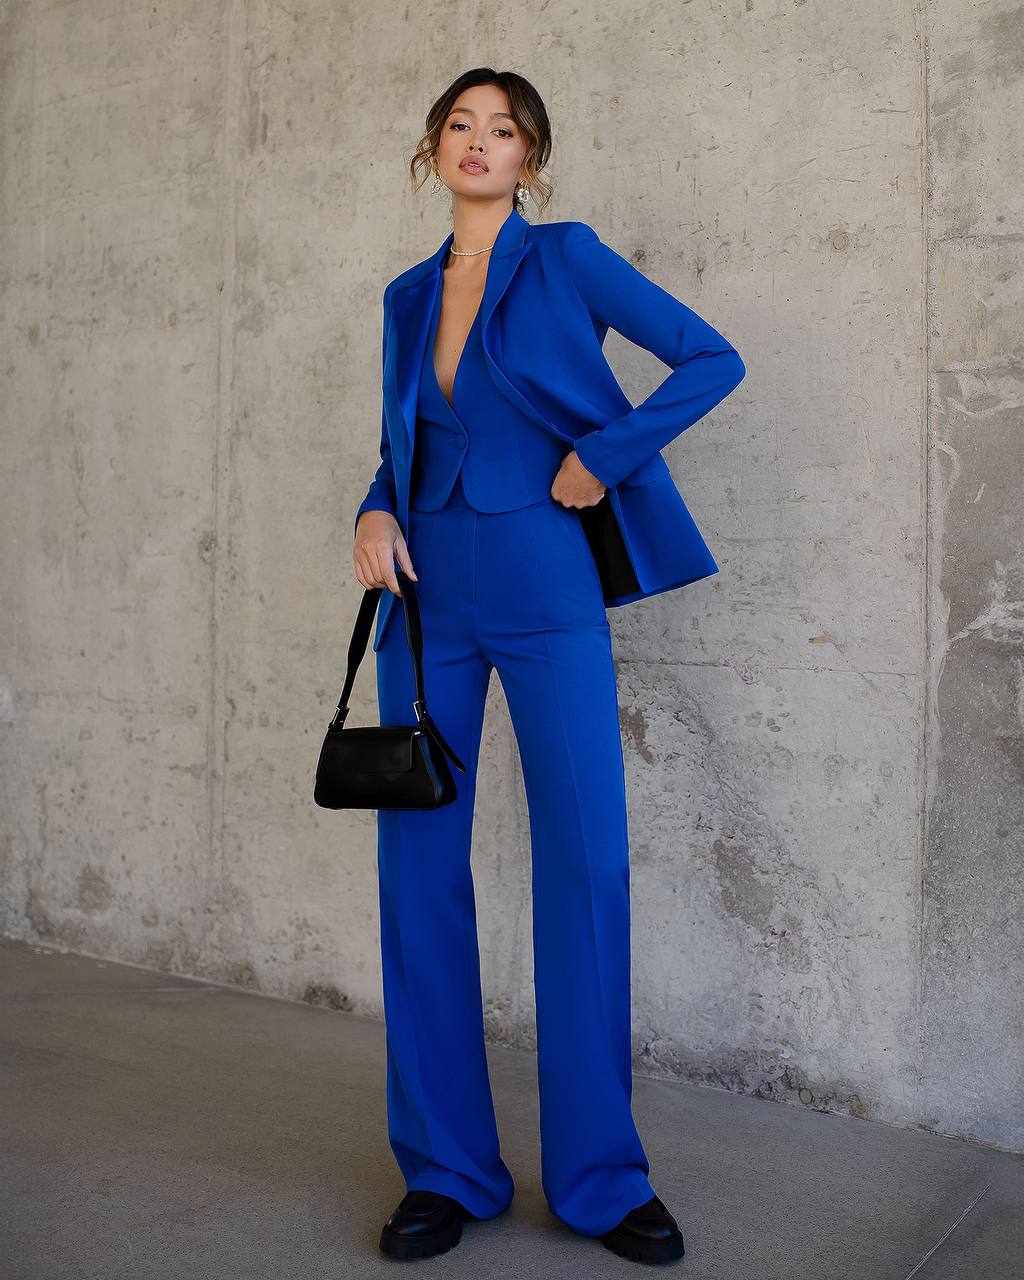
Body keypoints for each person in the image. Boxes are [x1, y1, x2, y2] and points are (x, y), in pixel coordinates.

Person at [352, 67, 745, 1266]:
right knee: (418, 869)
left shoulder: (565, 258)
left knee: (586, 860)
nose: (481, 142)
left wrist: (606, 453)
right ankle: (445, 1168)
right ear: (433, 150)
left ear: (531, 157)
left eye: (503, 128)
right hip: (424, 597)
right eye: (461, 126)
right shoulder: (408, 293)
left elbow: (708, 357)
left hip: (545, 578)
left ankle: (599, 1173)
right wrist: (373, 507)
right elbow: (403, 439)